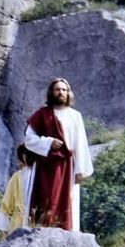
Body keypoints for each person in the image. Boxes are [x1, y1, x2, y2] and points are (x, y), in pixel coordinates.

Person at [24, 78, 93, 231]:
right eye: (57, 89)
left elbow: (80, 144)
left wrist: (80, 170)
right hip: (44, 167)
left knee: (66, 203)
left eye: (64, 90)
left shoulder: (75, 116)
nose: (60, 92)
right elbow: (28, 139)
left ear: (68, 93)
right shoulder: (42, 114)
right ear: (51, 92)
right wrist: (48, 143)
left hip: (67, 168)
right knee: (44, 202)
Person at [0, 144, 38, 235]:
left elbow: (6, 205)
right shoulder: (41, 177)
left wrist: (4, 231)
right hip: (33, 224)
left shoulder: (17, 177)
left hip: (19, 225)